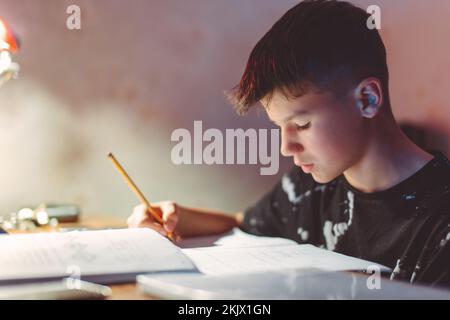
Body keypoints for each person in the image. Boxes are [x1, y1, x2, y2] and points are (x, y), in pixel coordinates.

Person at [127, 0, 450, 288]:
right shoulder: (308, 187)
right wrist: (173, 216)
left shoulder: (440, 222)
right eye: (279, 126)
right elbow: (244, 223)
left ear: (367, 99)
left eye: (301, 124)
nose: (286, 147)